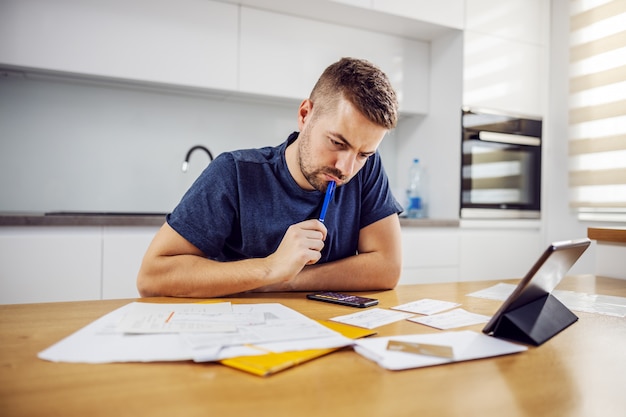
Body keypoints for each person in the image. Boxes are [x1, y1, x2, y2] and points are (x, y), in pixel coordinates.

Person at [137, 57, 403, 298]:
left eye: (363, 153)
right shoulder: (234, 173)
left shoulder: (366, 169)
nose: (345, 168)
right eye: (336, 142)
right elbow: (152, 276)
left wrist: (288, 280)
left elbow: (387, 268)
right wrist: (270, 267)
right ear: (304, 115)